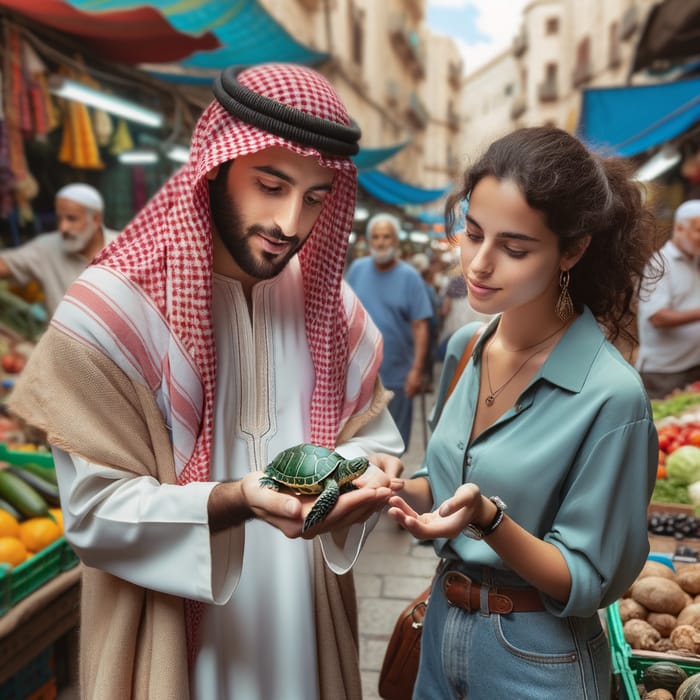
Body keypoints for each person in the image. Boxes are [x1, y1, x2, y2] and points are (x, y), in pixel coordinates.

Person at [8, 63, 405, 700]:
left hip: (301, 627)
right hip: (173, 638)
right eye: (270, 184)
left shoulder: (335, 309)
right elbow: (92, 514)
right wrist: (237, 500)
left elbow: (374, 441)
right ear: (217, 165)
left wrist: (360, 476)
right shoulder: (115, 310)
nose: (289, 223)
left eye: (314, 198)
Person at [374, 126, 660, 699]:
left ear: (572, 250)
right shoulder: (466, 350)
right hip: (439, 626)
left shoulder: (611, 396)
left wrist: (489, 520)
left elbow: (586, 579)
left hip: (536, 657)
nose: (478, 264)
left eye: (514, 247)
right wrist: (399, 487)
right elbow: (451, 479)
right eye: (472, 234)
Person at [346, 213, 433, 452]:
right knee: (356, 443)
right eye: (376, 237)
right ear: (368, 240)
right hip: (358, 374)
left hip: (396, 376)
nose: (381, 242)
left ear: (395, 241)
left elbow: (420, 326)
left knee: (393, 446)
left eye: (386, 237)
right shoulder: (357, 270)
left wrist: (416, 370)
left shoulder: (410, 278)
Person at [0, 183, 119, 316]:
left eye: (71, 218)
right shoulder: (46, 248)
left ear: (96, 219)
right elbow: (3, 266)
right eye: (59, 219)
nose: (63, 228)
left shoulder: (127, 250)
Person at [636, 199, 700, 398]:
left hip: (693, 365)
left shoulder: (695, 260)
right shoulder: (659, 265)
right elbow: (658, 318)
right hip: (664, 373)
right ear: (680, 229)